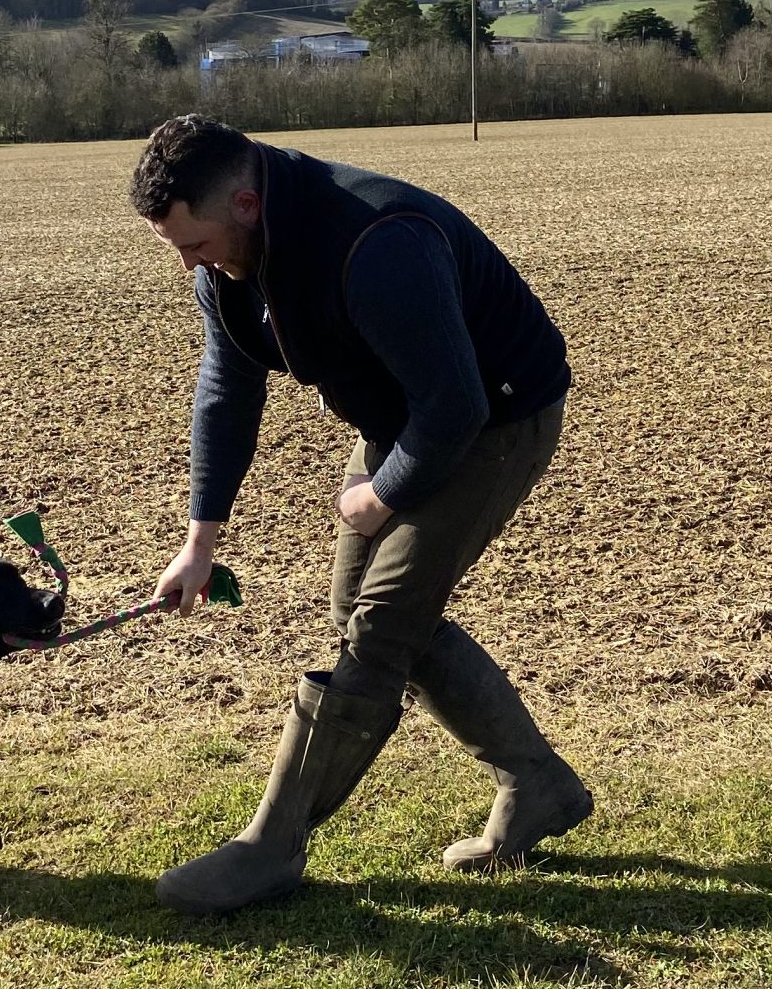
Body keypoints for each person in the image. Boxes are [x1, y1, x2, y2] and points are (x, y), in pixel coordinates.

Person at [130, 113, 590, 912]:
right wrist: (199, 540)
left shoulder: (375, 242)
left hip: (495, 418)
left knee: (379, 628)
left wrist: (381, 494)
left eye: (193, 245)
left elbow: (455, 407)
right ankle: (538, 781)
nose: (187, 267)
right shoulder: (227, 264)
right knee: (360, 610)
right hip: (406, 416)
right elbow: (229, 390)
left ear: (243, 204)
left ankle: (270, 849)